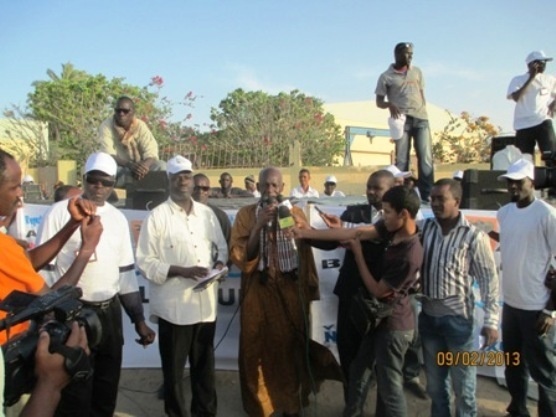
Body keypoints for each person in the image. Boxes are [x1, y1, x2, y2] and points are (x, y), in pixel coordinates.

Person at [36, 152, 156, 417]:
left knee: (106, 386)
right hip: (71, 314)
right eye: (93, 180)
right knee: (74, 393)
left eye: (106, 182)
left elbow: (125, 276)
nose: (99, 187)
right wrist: (47, 320)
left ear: (114, 183)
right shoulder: (59, 214)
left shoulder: (117, 219)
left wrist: (138, 320)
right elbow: (44, 275)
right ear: (84, 179)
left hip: (108, 314)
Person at [293, 186, 423, 417]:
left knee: (390, 387)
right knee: (358, 372)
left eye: (387, 212)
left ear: (404, 214)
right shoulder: (390, 229)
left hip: (394, 326)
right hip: (376, 320)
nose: (383, 217)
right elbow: (356, 235)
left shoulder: (409, 253)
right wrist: (305, 233)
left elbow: (377, 290)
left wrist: (358, 254)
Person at [229, 167, 341, 417]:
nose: (270, 191)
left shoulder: (293, 211)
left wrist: (293, 226)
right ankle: (262, 406)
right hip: (258, 290)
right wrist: (258, 225)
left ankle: (292, 404)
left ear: (281, 188)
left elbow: (306, 244)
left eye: (275, 186)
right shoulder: (246, 215)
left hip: (290, 289)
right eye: (265, 186)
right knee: (254, 346)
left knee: (292, 346)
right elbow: (242, 255)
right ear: (258, 187)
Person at [136, 155, 228, 417]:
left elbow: (221, 248)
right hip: (174, 309)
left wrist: (220, 265)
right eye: (177, 177)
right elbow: (145, 262)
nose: (183, 181)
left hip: (204, 306)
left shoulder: (207, 214)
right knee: (174, 374)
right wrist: (181, 271)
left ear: (191, 178)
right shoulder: (157, 217)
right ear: (169, 180)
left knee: (204, 369)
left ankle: (205, 413)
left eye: (186, 176)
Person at [0, 148, 102, 346]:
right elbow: (49, 301)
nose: (20, 193)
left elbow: (25, 264)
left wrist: (72, 224)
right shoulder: (3, 246)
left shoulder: (7, 248)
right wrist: (87, 250)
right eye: (14, 187)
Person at [419, 178, 499, 417]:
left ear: (457, 201)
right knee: (435, 387)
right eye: (432, 199)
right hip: (429, 321)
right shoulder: (424, 228)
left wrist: (492, 321)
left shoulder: (474, 237)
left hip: (459, 324)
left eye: (440, 199)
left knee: (463, 389)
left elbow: (488, 280)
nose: (434, 204)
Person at [496, 158, 556, 417]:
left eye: (518, 182)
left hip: (536, 308)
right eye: (510, 182)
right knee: (513, 364)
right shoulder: (504, 213)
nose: (513, 187)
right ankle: (518, 409)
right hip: (510, 305)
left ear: (532, 182)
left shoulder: (547, 214)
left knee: (543, 371)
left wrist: (550, 311)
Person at [376, 42, 434, 203]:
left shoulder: (417, 72)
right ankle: (400, 195)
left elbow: (422, 93)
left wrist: (422, 109)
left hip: (421, 118)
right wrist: (389, 104)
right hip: (401, 120)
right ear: (397, 55)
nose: (410, 57)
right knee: (402, 158)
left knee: (425, 157)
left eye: (411, 54)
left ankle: (427, 195)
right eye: (406, 54)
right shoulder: (386, 76)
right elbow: (379, 101)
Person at [97, 96, 166, 187]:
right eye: (118, 110)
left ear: (133, 112)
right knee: (105, 171)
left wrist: (143, 168)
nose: (121, 114)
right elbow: (108, 154)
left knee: (162, 166)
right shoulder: (106, 126)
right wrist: (131, 166)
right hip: (121, 167)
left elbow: (151, 152)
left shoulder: (140, 126)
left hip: (142, 169)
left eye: (125, 111)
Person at [507, 51, 556, 160]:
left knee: (552, 156)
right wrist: (531, 78)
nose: (543, 65)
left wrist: (553, 103)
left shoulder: (549, 79)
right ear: (530, 64)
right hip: (523, 124)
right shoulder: (518, 80)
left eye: (545, 62)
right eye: (540, 62)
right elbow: (516, 97)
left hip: (543, 120)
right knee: (524, 160)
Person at [192, 173, 232, 244]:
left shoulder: (220, 216)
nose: (200, 192)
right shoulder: (180, 214)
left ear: (209, 191)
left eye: (205, 188)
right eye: (196, 188)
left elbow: (229, 242)